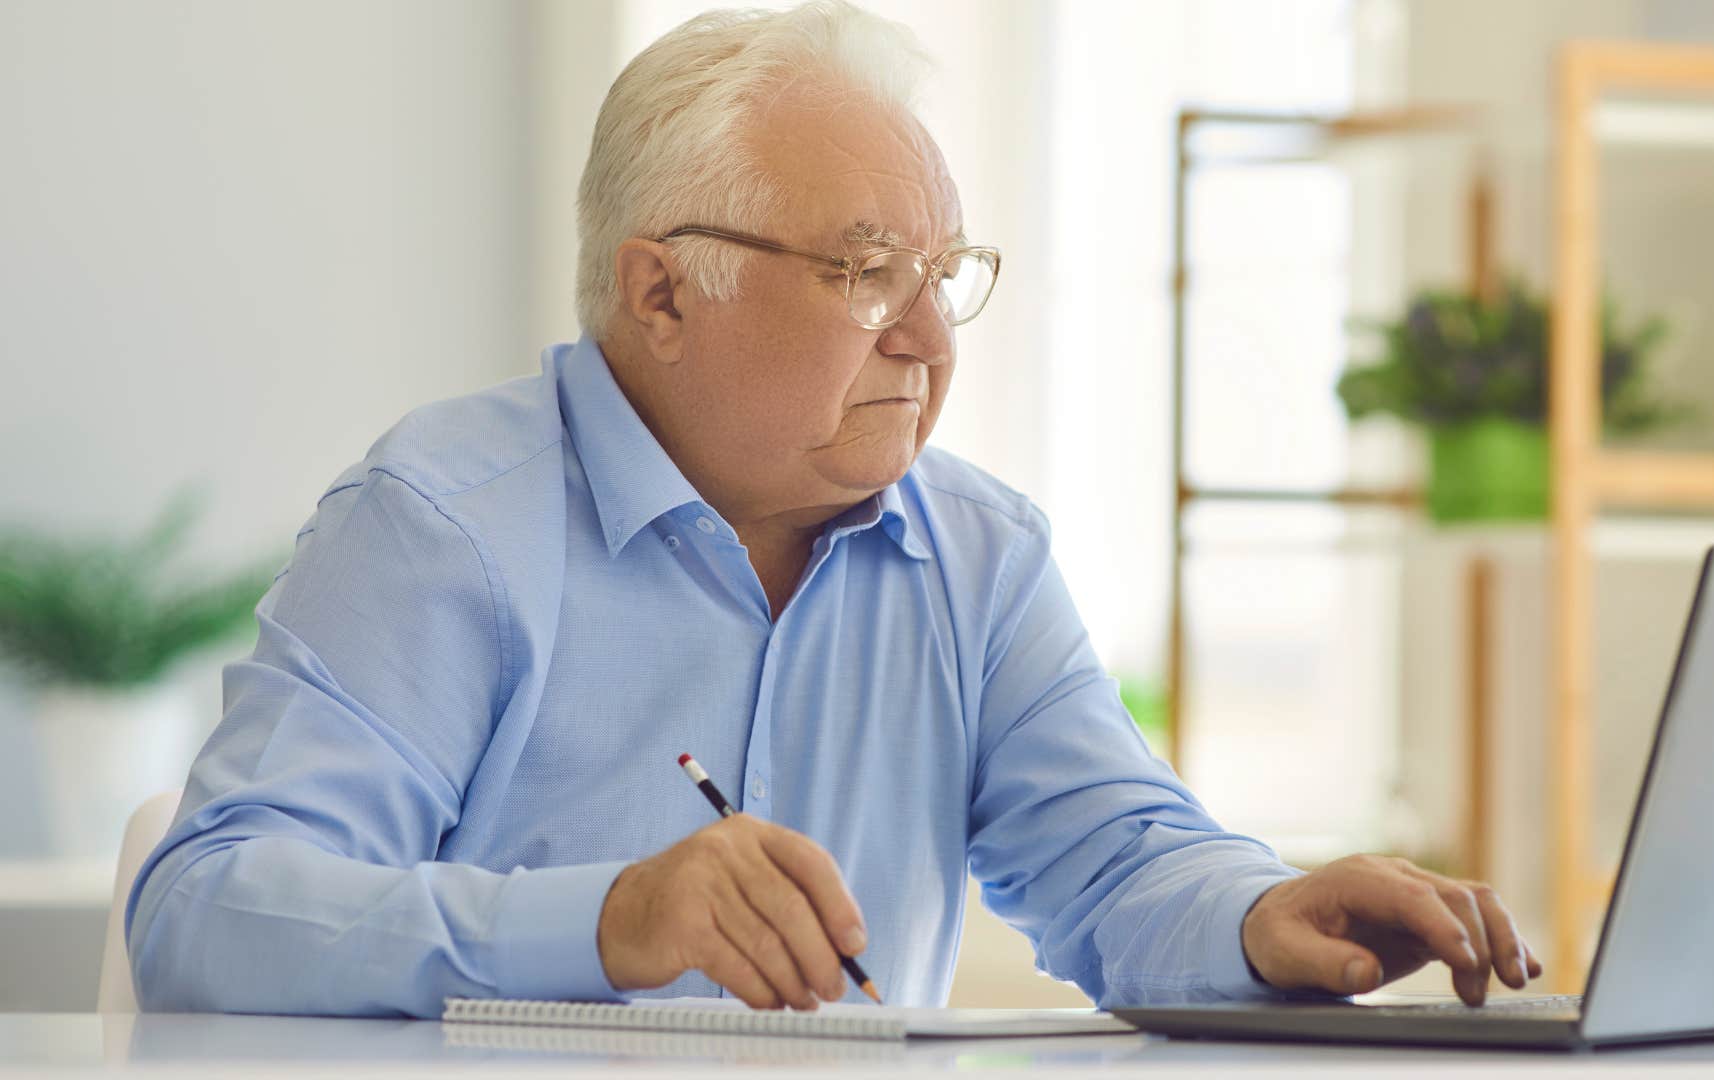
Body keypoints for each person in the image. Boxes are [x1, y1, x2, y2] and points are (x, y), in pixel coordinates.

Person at [127, 0, 1541, 1018]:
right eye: (869, 272)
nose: (930, 338)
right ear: (663, 292)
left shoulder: (982, 555)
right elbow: (213, 911)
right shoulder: (441, 520)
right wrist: (611, 920)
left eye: (948, 273)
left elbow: (1119, 864)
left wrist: (1260, 910)